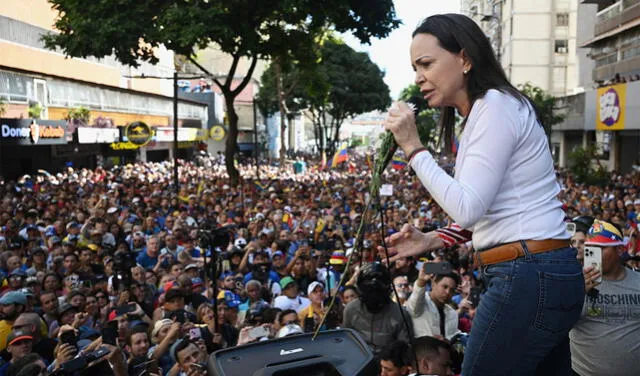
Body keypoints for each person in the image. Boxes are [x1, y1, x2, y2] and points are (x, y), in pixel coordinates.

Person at [383, 13, 583, 374]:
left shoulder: (495, 107)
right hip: (541, 272)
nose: (418, 78)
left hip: (527, 275)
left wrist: (412, 146)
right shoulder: (488, 110)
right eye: (415, 67)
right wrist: (432, 239)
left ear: (465, 58)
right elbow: (493, 208)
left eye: (426, 64)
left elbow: (470, 207)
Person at [570, 220, 640, 376]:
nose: (594, 255)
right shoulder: (573, 281)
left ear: (621, 249)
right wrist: (577, 293)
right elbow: (556, 325)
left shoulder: (638, 282)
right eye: (590, 249)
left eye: (600, 248)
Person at [342, 262, 412, 354]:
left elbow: (404, 350)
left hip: (388, 363)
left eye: (378, 292)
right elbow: (346, 342)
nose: (373, 297)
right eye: (369, 292)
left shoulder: (400, 314)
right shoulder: (351, 310)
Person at [405, 270, 460, 341]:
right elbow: (414, 304)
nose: (447, 292)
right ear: (433, 284)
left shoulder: (452, 313)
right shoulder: (420, 304)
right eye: (445, 287)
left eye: (452, 290)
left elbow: (453, 337)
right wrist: (421, 281)